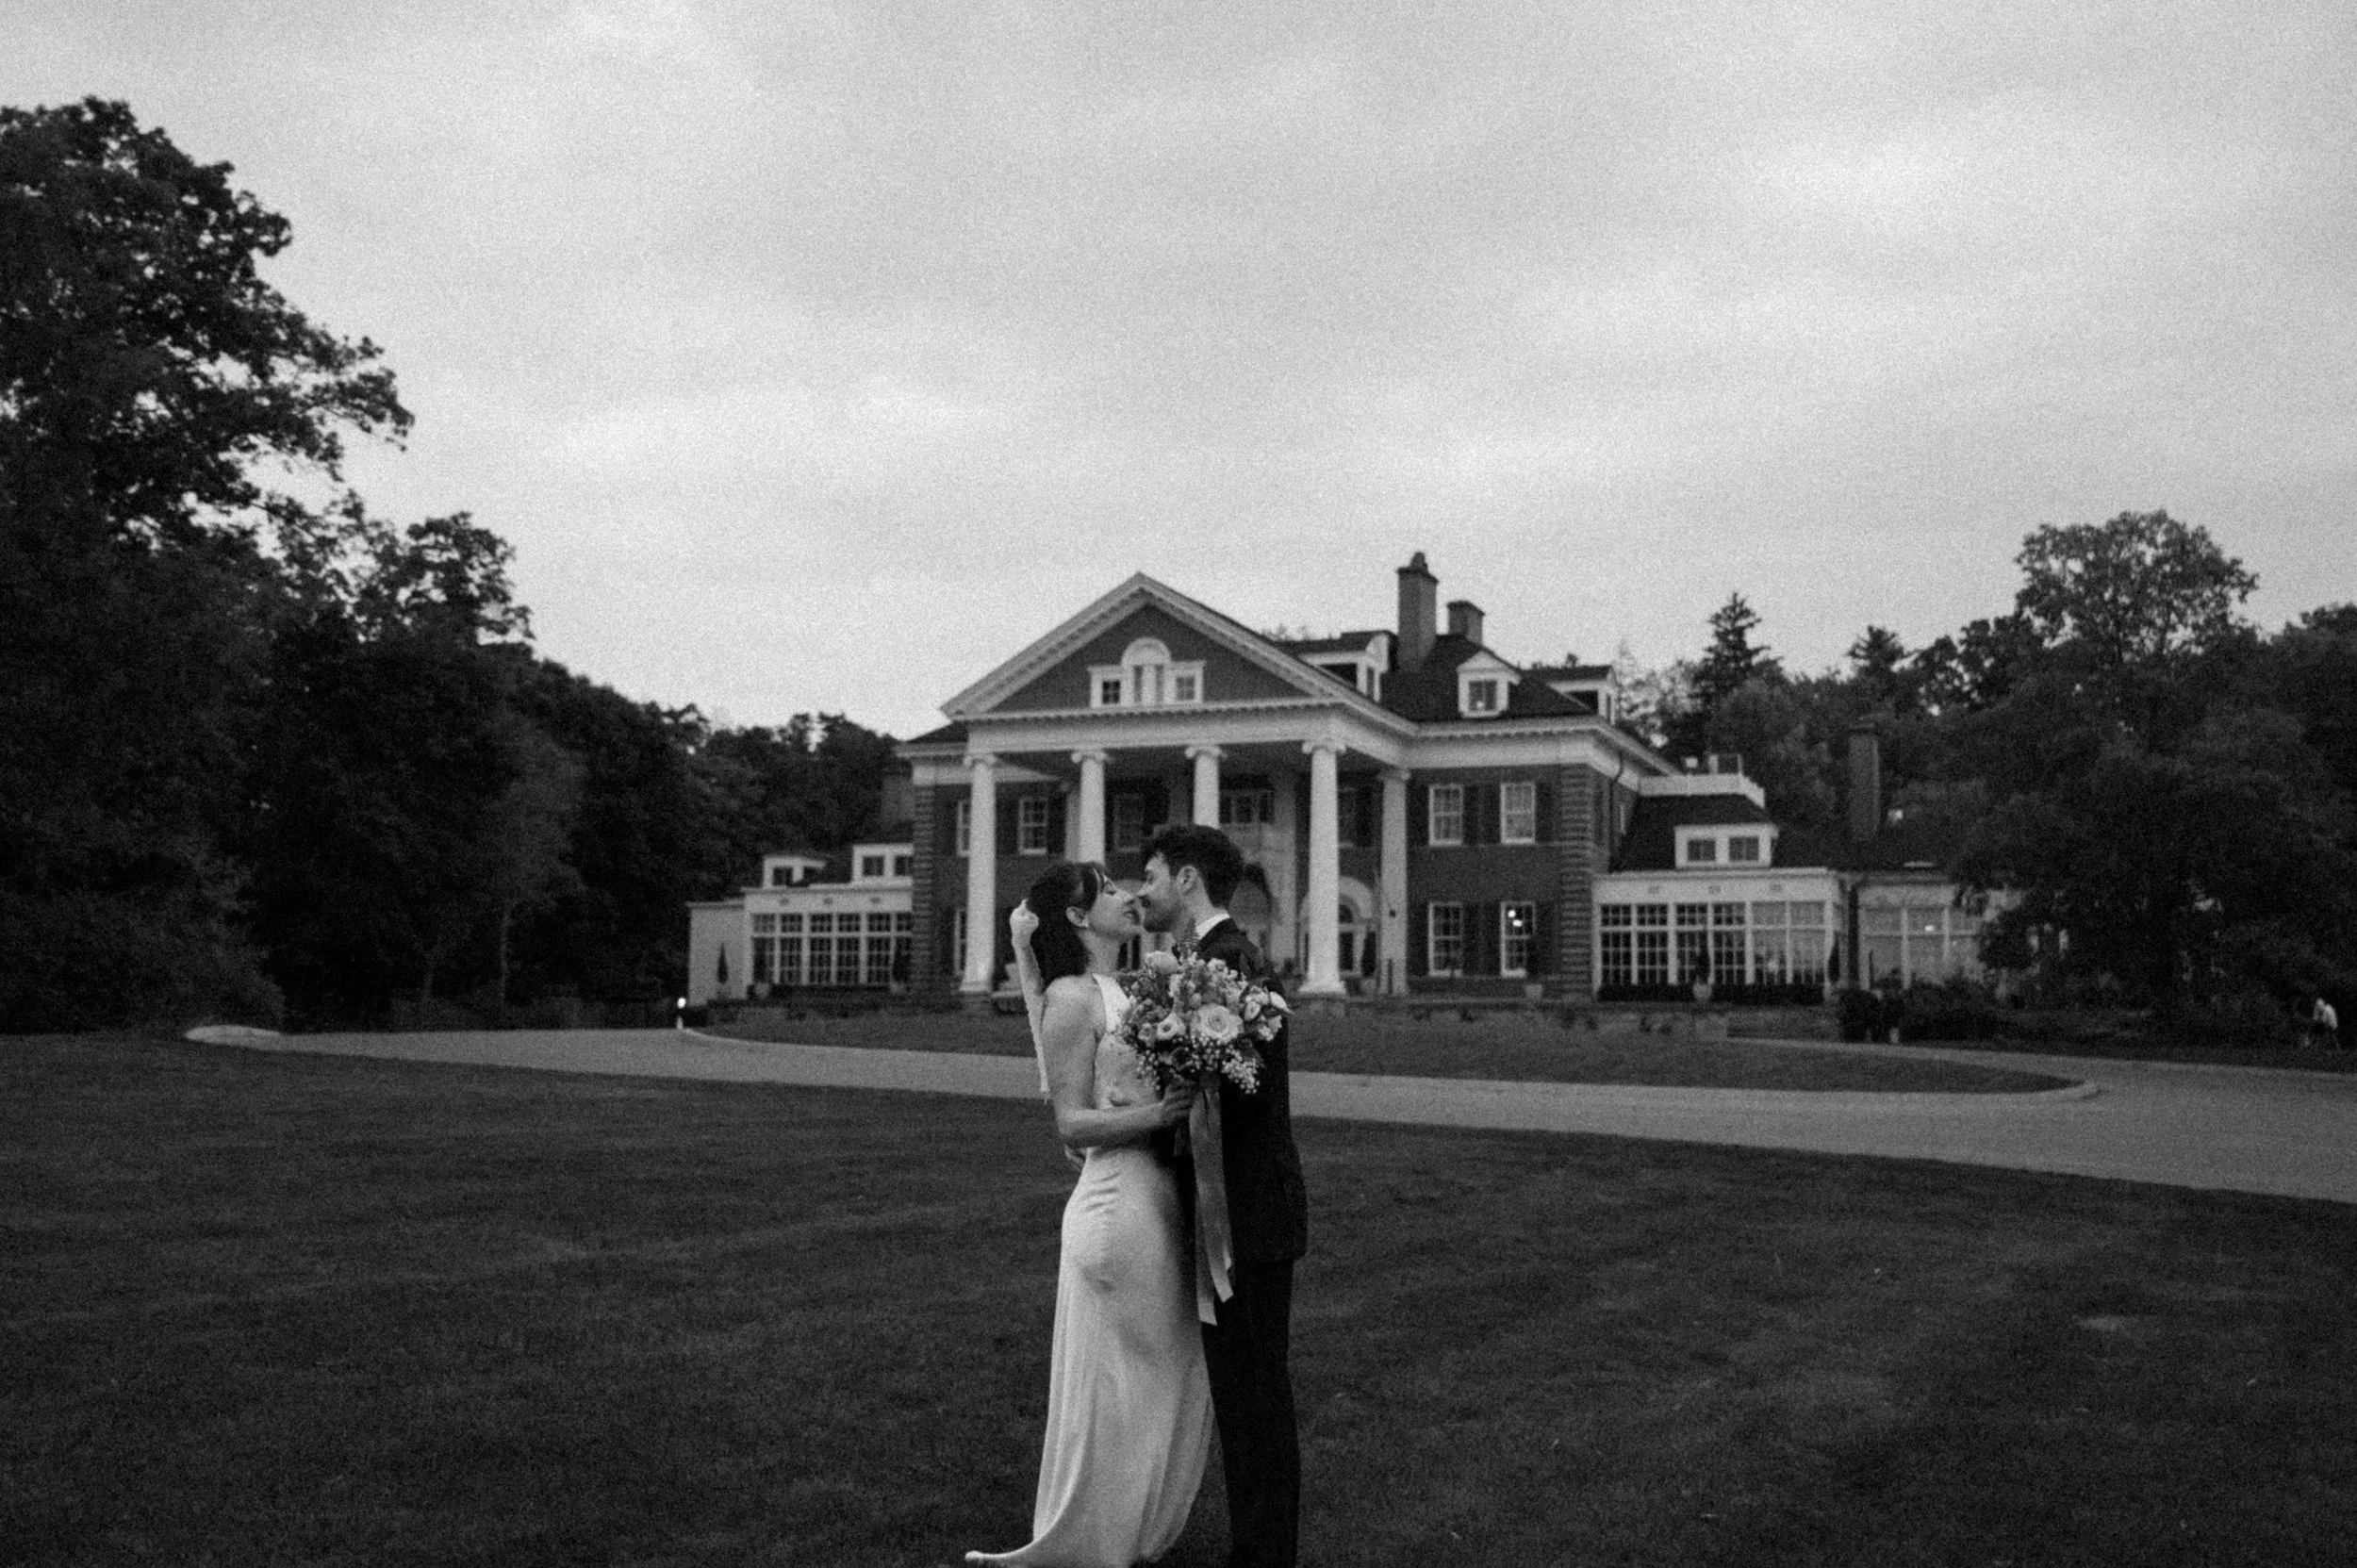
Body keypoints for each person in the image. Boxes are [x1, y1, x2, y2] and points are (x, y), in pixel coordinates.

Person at [966, 861, 1211, 1568]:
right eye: (1106, 892)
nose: (1127, 896)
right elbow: (1071, 1123)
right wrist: (1161, 1113)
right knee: (1114, 1384)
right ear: (1076, 919)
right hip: (1117, 1207)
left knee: (1155, 1374)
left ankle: (1125, 1535)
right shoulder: (1073, 999)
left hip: (1162, 1201)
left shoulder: (1129, 988)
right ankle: (1087, 1542)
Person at [1136, 823, 1310, 1568]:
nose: (1140, 888)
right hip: (1229, 1212)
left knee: (1255, 1399)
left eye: (1148, 874)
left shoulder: (1228, 961)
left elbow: (1248, 1090)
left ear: (1185, 880)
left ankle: (1266, 1554)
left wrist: (1180, 1088)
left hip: (1246, 1214)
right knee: (1243, 1397)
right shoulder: (1204, 962)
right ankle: (1258, 1548)